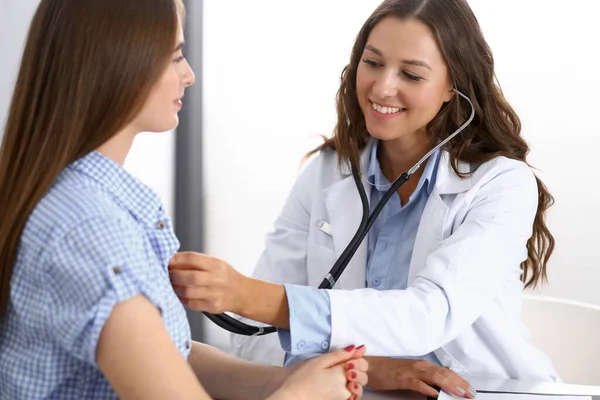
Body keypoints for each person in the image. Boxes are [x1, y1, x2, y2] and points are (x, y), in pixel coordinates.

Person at [166, 0, 561, 397]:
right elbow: (255, 339)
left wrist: (250, 296)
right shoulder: (327, 171)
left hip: (480, 392)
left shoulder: (501, 184)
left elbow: (429, 314)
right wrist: (366, 369)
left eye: (410, 73)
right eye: (372, 63)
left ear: (452, 88)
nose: (383, 87)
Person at [0, 0, 369, 399]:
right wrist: (304, 395)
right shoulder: (90, 231)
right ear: (121, 62)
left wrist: (281, 382)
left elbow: (167, 353)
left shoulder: (91, 200)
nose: (189, 75)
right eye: (176, 56)